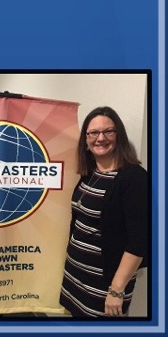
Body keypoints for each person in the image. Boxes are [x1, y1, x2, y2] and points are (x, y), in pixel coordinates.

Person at [60, 106, 148, 317]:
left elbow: (140, 240)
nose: (100, 138)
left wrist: (117, 290)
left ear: (119, 136)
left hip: (104, 285)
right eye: (93, 133)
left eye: (108, 131)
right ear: (86, 140)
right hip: (76, 276)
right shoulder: (90, 173)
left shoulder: (134, 178)